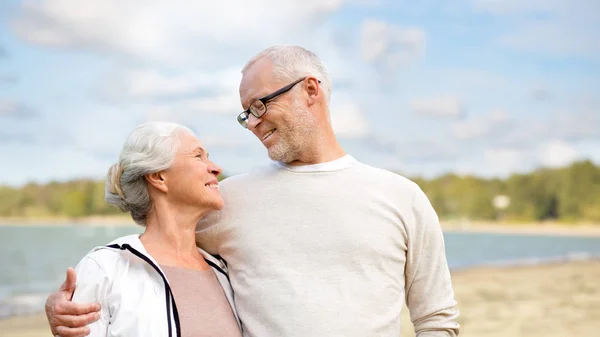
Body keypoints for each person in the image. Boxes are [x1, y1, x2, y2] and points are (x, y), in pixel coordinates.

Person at [46, 45, 460, 337]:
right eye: (246, 114)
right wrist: (67, 305)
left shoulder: (402, 197)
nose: (254, 123)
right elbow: (155, 249)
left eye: (260, 105)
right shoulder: (227, 201)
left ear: (310, 90)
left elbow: (436, 320)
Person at [48, 121, 243, 337]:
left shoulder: (225, 271)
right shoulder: (106, 269)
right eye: (198, 156)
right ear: (158, 177)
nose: (216, 168)